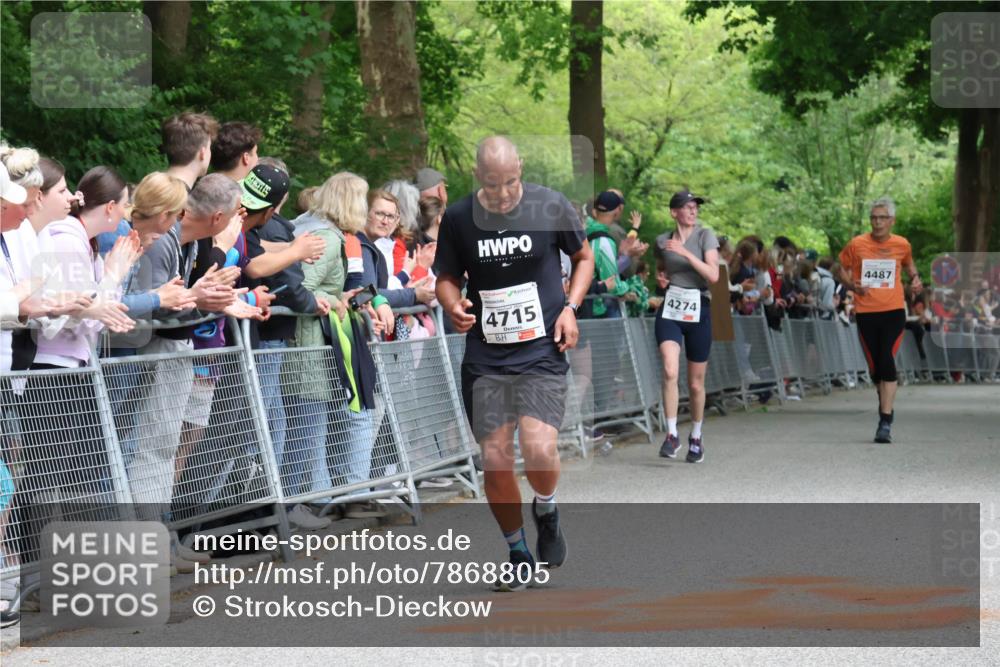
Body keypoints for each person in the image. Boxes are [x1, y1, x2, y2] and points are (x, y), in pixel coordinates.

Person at [433, 136, 594, 590]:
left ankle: (546, 504)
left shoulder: (550, 205)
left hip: (541, 348)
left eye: (511, 182)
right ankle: (518, 552)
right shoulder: (461, 217)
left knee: (540, 448)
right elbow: (446, 275)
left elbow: (583, 257)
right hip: (487, 354)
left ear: (520, 167)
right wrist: (452, 304)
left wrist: (571, 306)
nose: (503, 193)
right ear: (477, 175)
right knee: (496, 459)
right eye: (492, 183)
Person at [838, 196, 922, 443]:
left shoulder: (901, 244)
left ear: (892, 220)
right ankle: (885, 404)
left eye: (882, 217)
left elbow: (909, 265)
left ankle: (885, 421)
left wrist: (915, 279)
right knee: (875, 368)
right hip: (866, 312)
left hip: (894, 310)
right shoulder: (857, 244)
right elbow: (840, 267)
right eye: (873, 217)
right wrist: (850, 283)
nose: (877, 222)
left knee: (886, 357)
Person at [654, 190, 720, 463]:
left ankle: (696, 435)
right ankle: (671, 434)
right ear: (674, 212)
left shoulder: (705, 236)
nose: (693, 211)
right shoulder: (662, 240)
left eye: (695, 207)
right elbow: (663, 267)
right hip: (671, 306)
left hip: (699, 307)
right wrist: (661, 278)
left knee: (695, 383)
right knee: (670, 369)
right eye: (687, 207)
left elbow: (713, 275)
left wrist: (686, 254)